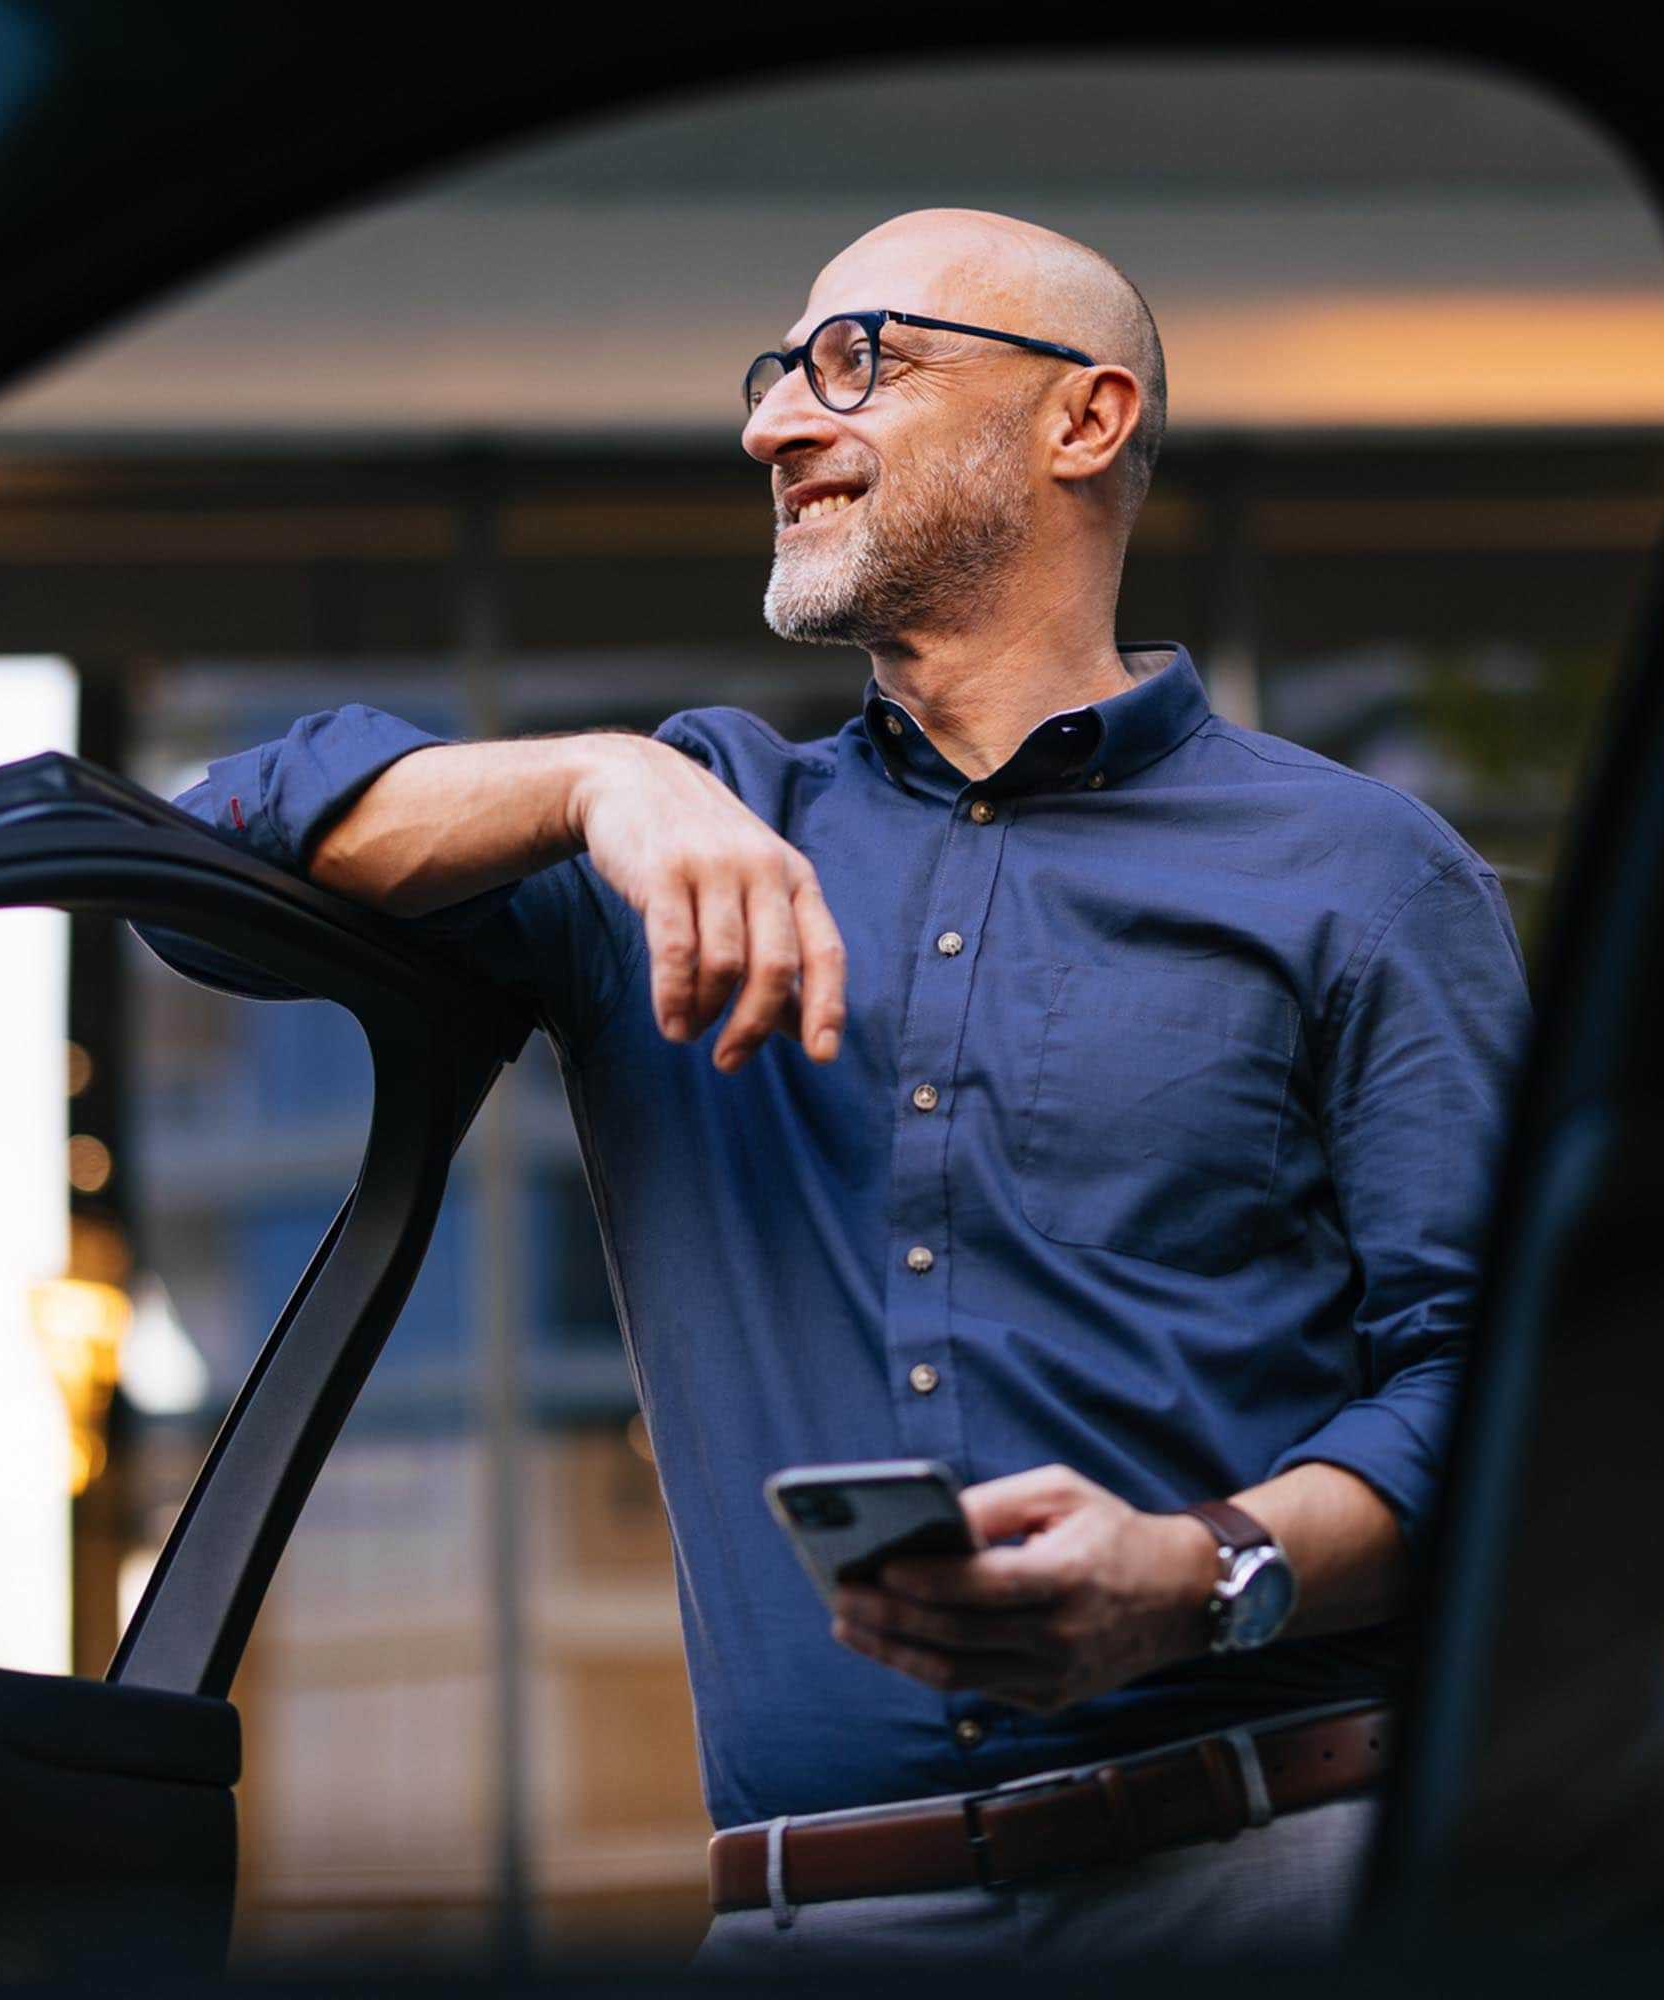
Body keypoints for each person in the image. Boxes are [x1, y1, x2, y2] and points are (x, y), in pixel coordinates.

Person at [157, 209, 1530, 1968]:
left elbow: (1501, 1395)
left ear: (1084, 419)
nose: (773, 425)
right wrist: (594, 782)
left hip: (1267, 1892)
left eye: (857, 361)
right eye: (776, 375)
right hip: (814, 1931)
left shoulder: (1362, 872)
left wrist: (1198, 1571)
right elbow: (203, 866)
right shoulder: (674, 842)